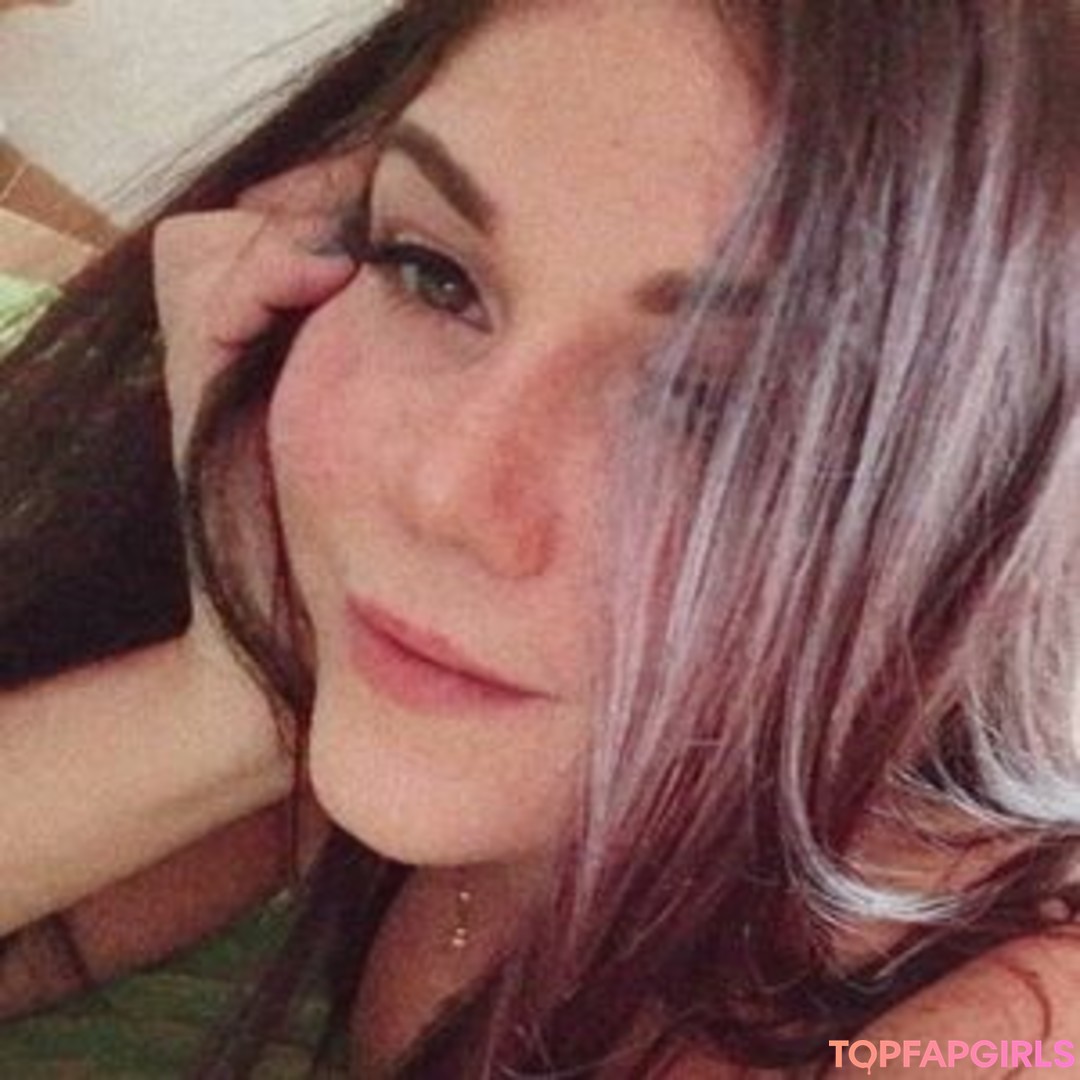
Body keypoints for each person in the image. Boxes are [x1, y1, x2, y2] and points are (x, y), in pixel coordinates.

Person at [1, 0, 1078, 1075]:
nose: (443, 491)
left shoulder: (1007, 1023)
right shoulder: (408, 735)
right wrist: (239, 682)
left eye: (727, 411)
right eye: (433, 272)